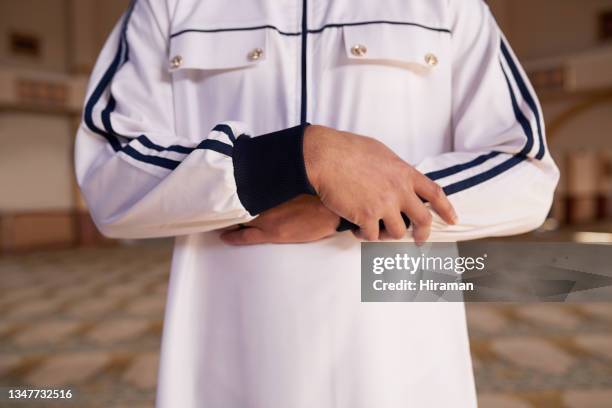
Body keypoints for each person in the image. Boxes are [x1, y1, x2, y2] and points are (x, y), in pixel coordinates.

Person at [75, 0, 559, 406]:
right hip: (231, 354)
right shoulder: (169, 5)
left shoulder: (447, 5)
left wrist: (343, 208)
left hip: (400, 366)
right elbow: (110, 173)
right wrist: (299, 157)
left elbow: (524, 170)